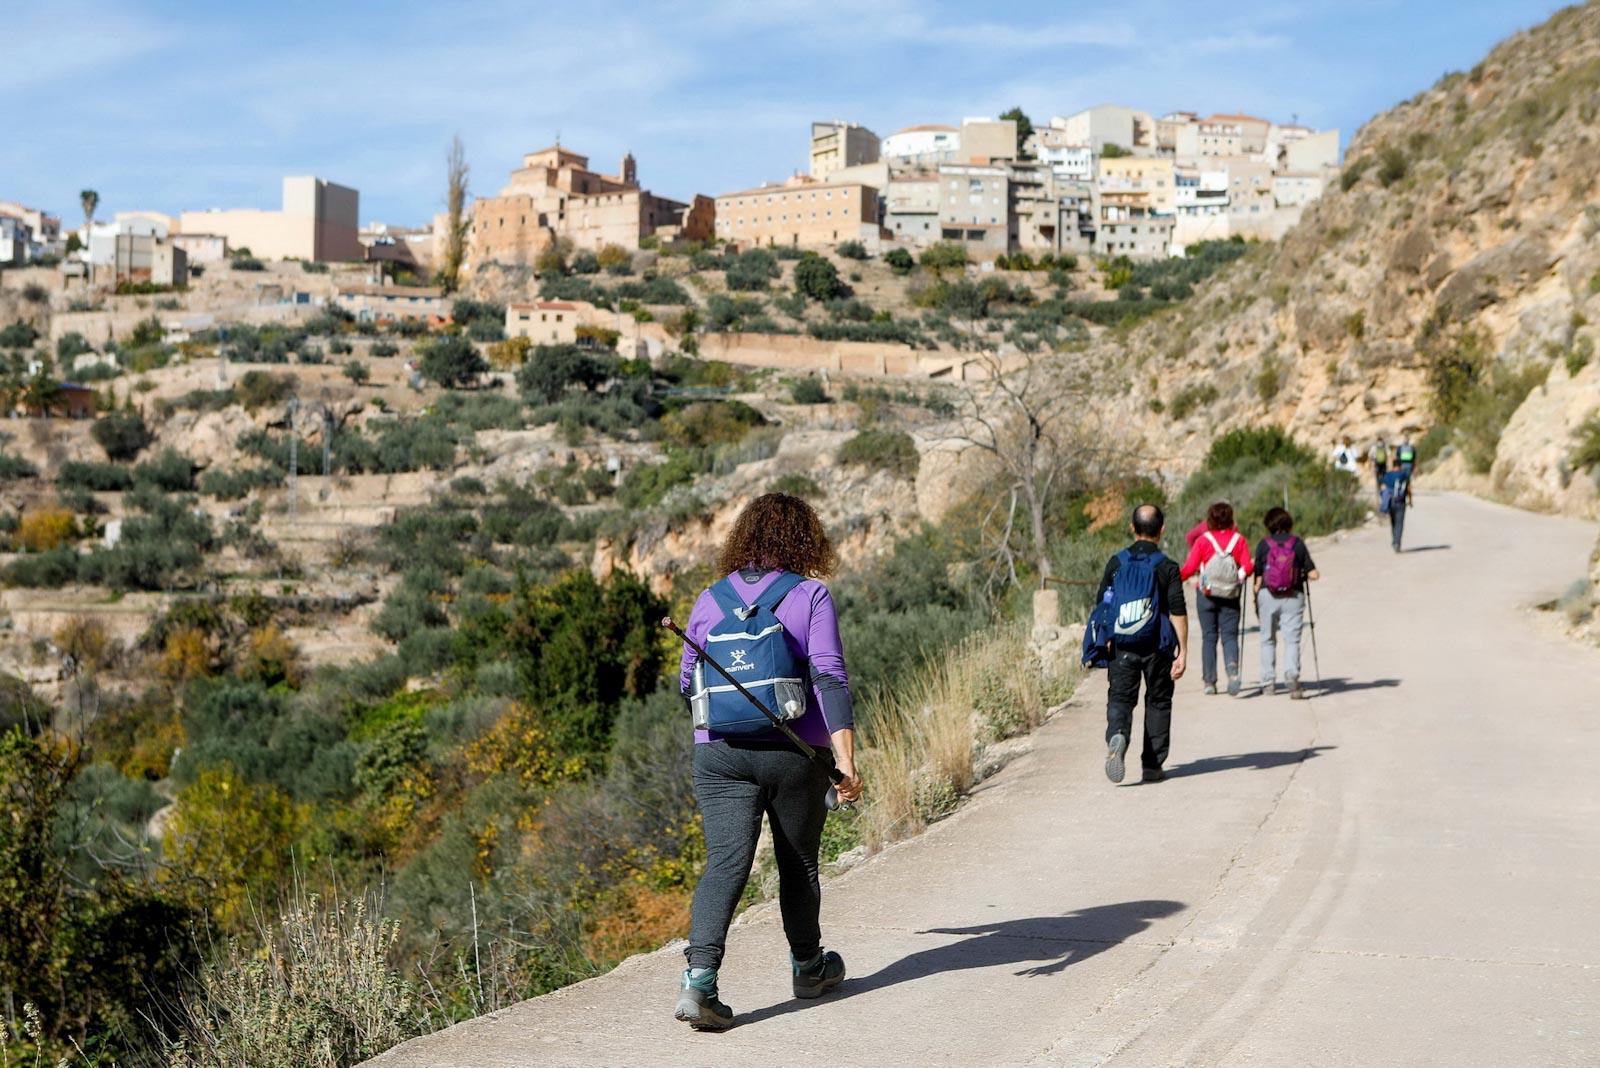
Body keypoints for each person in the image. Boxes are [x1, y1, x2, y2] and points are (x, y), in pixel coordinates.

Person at [673, 493, 863, 1031]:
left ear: (743, 538)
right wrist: (845, 762)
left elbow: (687, 683)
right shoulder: (810, 595)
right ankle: (808, 967)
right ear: (805, 538)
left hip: (719, 755)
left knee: (725, 864)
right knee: (797, 861)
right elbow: (829, 678)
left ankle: (700, 983)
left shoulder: (710, 599)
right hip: (795, 753)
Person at [1096, 504, 1188, 785]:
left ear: (1132, 528)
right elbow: (1177, 611)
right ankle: (1151, 765)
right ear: (1161, 530)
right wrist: (1183, 651)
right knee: (1158, 701)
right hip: (1158, 646)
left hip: (1122, 645)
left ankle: (1118, 735)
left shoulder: (1117, 562)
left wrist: (1106, 639)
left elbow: (1103, 603)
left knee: (1121, 698)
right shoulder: (1167, 566)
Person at [1180, 501, 1253, 696]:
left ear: (1209, 519)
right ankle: (1232, 673)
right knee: (1229, 636)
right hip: (1230, 594)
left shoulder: (1203, 540)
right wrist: (1238, 578)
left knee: (1209, 637)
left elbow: (1189, 568)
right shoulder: (1239, 540)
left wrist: (1173, 578)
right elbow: (1248, 566)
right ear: (1230, 518)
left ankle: (1209, 682)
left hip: (1206, 594)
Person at [1253, 507, 1320, 700]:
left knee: (1267, 639)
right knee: (1292, 639)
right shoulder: (1297, 543)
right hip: (1293, 596)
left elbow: (1257, 577)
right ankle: (1292, 676)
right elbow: (1313, 573)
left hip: (1267, 595)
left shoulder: (1263, 545)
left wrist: (1256, 604)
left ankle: (1268, 682)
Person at [1380, 465, 1414, 552]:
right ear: (1400, 466)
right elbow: (1409, 488)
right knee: (1399, 523)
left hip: (1391, 502)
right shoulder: (1404, 475)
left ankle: (1395, 540)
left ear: (1393, 465)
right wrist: (1410, 500)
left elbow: (1383, 487)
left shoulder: (1388, 475)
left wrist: (1384, 500)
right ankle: (1397, 542)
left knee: (1393, 522)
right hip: (1401, 502)